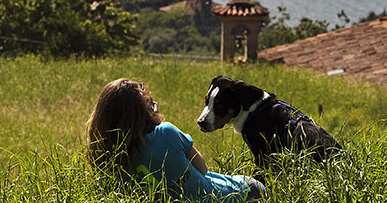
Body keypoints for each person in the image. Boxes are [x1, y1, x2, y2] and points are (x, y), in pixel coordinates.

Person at [86, 78, 264, 201]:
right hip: (235, 195)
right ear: (146, 109)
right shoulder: (165, 132)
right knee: (255, 186)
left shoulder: (107, 158)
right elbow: (202, 168)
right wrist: (155, 120)